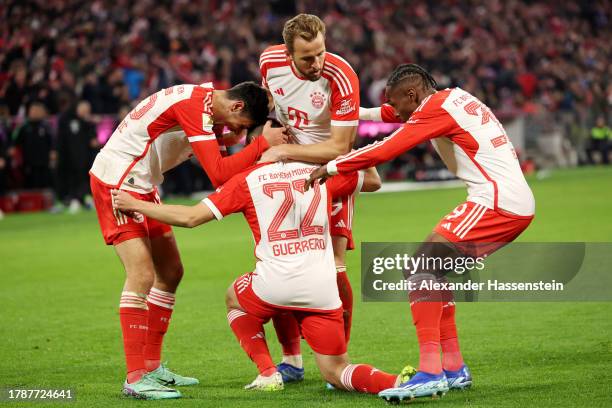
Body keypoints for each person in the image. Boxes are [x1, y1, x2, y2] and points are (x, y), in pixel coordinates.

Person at [307, 64, 536, 401]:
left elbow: (386, 149)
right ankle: (454, 368)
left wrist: (331, 165)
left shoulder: (435, 110)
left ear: (412, 95)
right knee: (432, 272)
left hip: (497, 202)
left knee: (420, 269)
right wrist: (339, 114)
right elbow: (384, 113)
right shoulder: (450, 100)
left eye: (398, 103)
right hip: (506, 199)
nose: (395, 111)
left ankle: (431, 372)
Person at [111, 161, 418, 398]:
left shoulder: (249, 178)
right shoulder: (319, 171)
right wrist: (348, 144)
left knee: (234, 294)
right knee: (336, 371)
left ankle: (268, 371)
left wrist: (135, 204)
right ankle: (397, 382)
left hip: (274, 284)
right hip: (323, 288)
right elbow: (374, 181)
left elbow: (191, 218)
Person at [89, 80, 288, 400]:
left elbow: (225, 163)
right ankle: (135, 377)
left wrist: (242, 138)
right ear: (236, 107)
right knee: (141, 275)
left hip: (142, 183)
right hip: (117, 183)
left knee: (171, 272)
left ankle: (152, 366)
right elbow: (220, 174)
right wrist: (261, 144)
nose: (237, 132)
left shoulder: (207, 103)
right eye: (241, 125)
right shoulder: (198, 107)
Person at [256, 13, 366, 382]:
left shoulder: (342, 75)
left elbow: (340, 146)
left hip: (330, 172)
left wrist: (285, 153)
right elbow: (269, 103)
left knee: (334, 265)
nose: (317, 63)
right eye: (306, 57)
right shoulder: (269, 62)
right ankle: (292, 360)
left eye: (320, 52)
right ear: (288, 54)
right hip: (289, 177)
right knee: (281, 264)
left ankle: (340, 360)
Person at [57, 100, 98, 213]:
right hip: (70, 158)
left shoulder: (88, 124)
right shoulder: (68, 121)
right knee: (73, 180)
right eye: (83, 109)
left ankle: (85, 200)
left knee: (86, 180)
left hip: (86, 159)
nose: (85, 112)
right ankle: (73, 200)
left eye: (87, 110)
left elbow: (94, 142)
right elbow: (61, 140)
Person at [12, 102, 56, 189]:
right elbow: (16, 141)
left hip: (44, 161)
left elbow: (52, 142)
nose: (35, 113)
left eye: (37, 111)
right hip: (28, 162)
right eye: (33, 110)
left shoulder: (46, 126)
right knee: (30, 184)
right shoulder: (24, 127)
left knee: (43, 184)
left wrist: (53, 152)